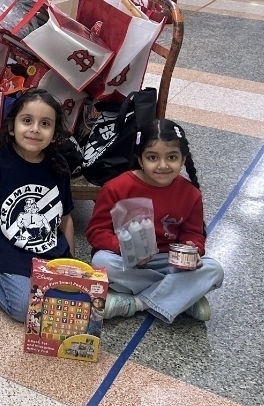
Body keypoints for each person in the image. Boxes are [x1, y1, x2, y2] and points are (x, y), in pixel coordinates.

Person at [86, 119, 224, 322]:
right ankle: (184, 295)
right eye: (152, 157)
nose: (163, 165)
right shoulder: (116, 188)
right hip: (128, 262)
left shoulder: (191, 194)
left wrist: (192, 248)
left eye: (172, 157)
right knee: (101, 262)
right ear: (140, 160)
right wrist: (127, 249)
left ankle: (135, 303)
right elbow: (97, 232)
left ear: (183, 159)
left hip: (168, 261)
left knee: (214, 269)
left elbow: (194, 233)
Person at [0, 89, 75, 322]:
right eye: (27, 121)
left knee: (67, 303)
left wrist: (71, 266)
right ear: (12, 127)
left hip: (49, 254)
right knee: (27, 308)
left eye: (45, 123)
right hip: (8, 253)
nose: (35, 129)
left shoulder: (59, 165)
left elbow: (65, 218)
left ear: (54, 134)